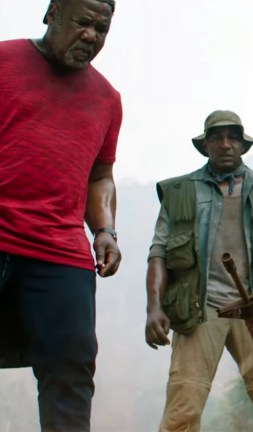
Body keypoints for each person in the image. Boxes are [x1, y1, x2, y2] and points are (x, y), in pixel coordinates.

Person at [0, 0, 122, 430]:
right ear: (52, 13)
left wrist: (105, 230)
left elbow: (100, 175)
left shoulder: (108, 99)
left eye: (102, 28)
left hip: (60, 251)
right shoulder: (3, 61)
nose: (91, 35)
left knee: (72, 369)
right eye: (83, 22)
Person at [144, 110, 253, 431]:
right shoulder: (181, 192)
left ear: (242, 144)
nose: (225, 144)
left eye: (232, 137)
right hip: (200, 310)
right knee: (183, 404)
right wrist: (154, 308)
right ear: (205, 146)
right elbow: (158, 251)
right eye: (216, 137)